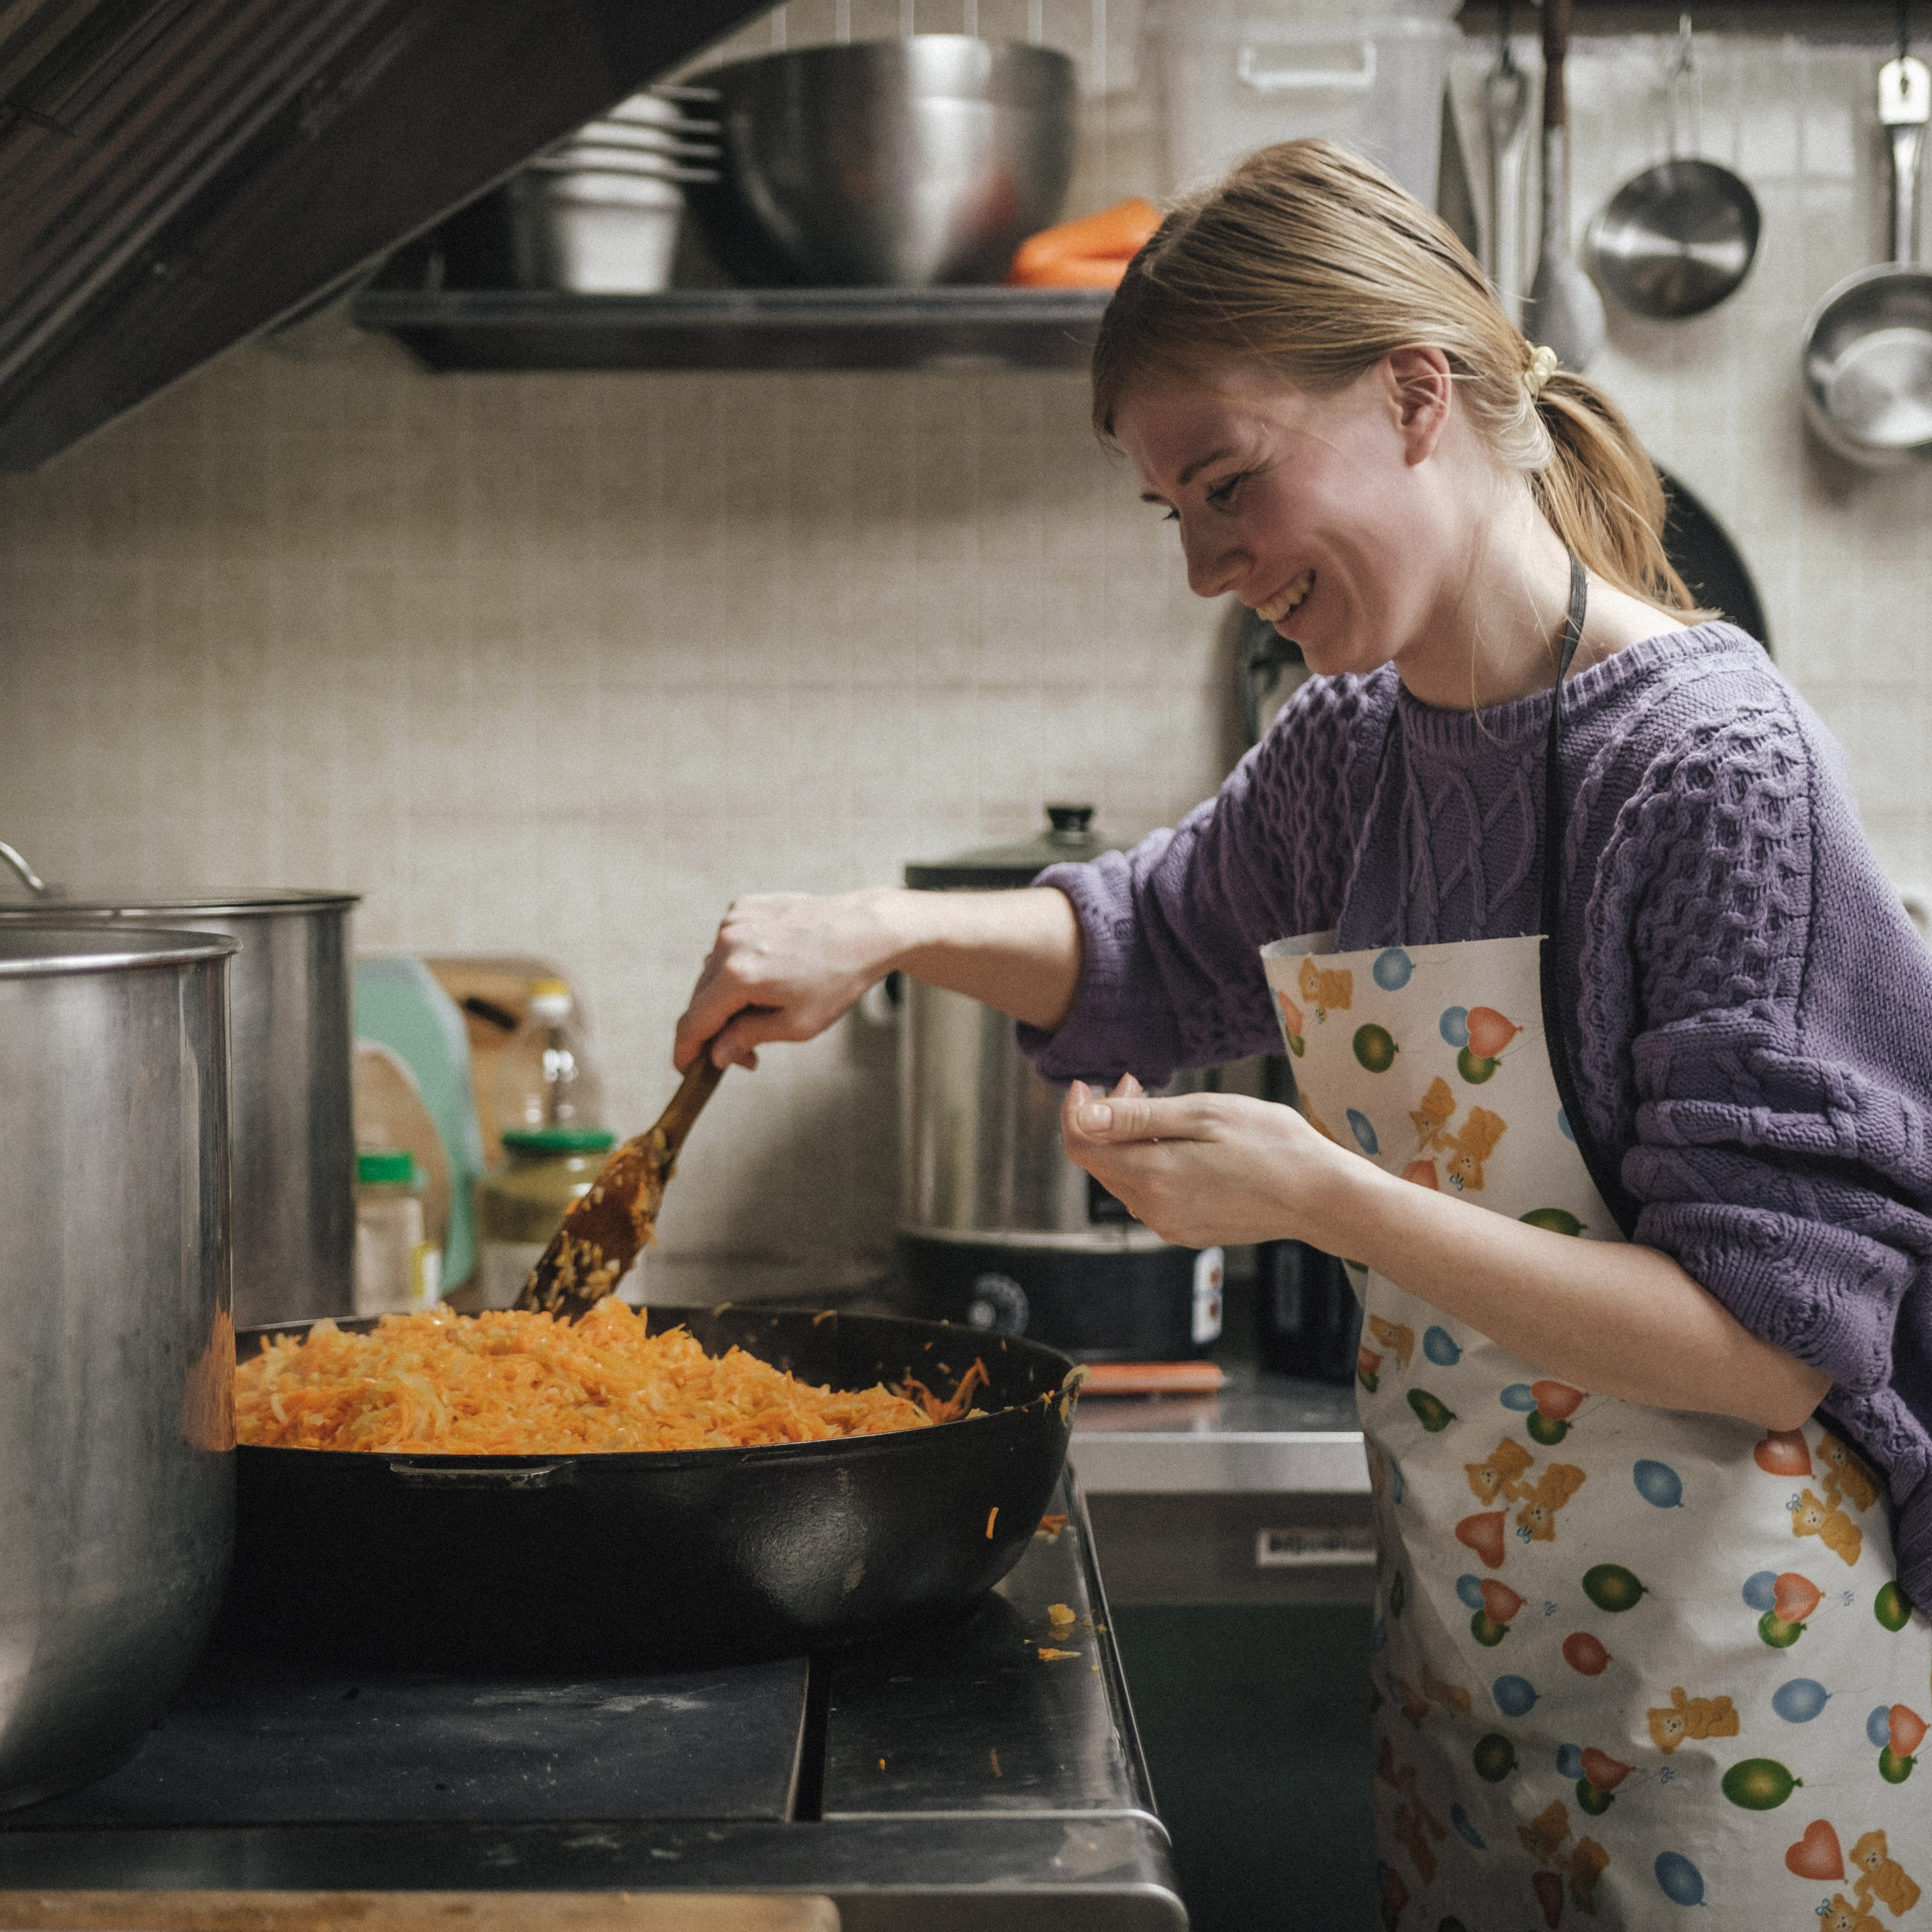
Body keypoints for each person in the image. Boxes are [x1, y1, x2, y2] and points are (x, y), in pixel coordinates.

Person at [678, 141, 1932, 1924]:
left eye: (1228, 485)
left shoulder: (1708, 766)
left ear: (1414, 394)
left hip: (1753, 1705)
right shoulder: (1352, 746)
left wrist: (1320, 1193)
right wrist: (875, 935)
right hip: (1471, 1679)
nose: (1203, 563)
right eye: (1170, 511)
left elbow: (1764, 1346)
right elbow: (1148, 940)